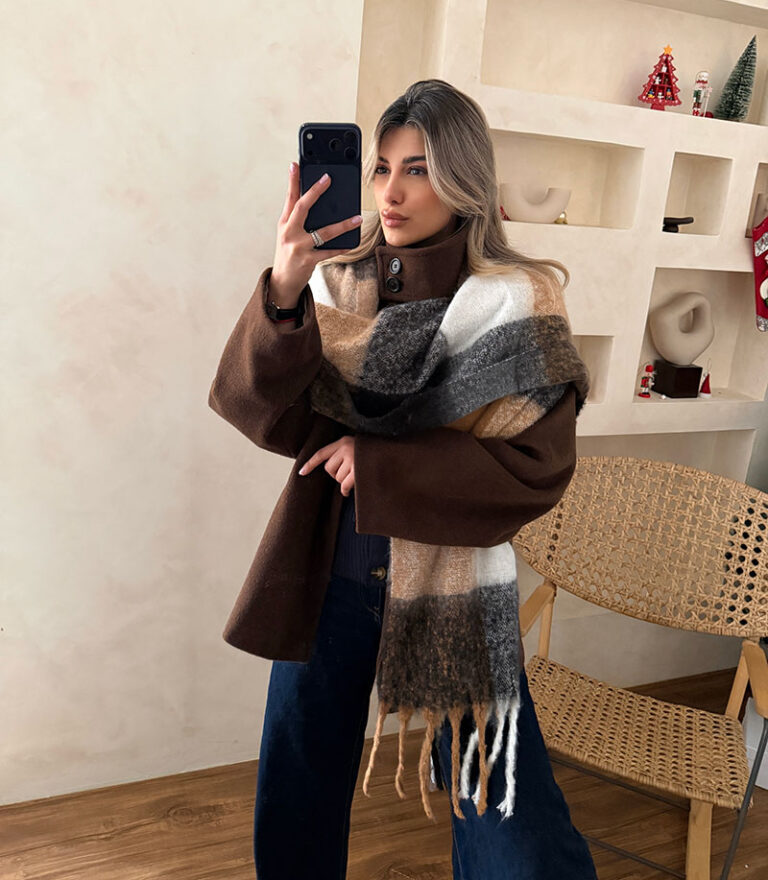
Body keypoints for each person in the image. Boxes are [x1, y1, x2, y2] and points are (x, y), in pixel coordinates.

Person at [208, 79, 598, 879]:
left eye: (416, 169)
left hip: (454, 586)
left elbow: (536, 471)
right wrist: (282, 291)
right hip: (333, 571)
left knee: (509, 826)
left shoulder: (520, 301)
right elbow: (265, 415)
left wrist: (378, 461)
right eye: (381, 168)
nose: (390, 191)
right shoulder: (335, 286)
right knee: (297, 788)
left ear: (464, 180)